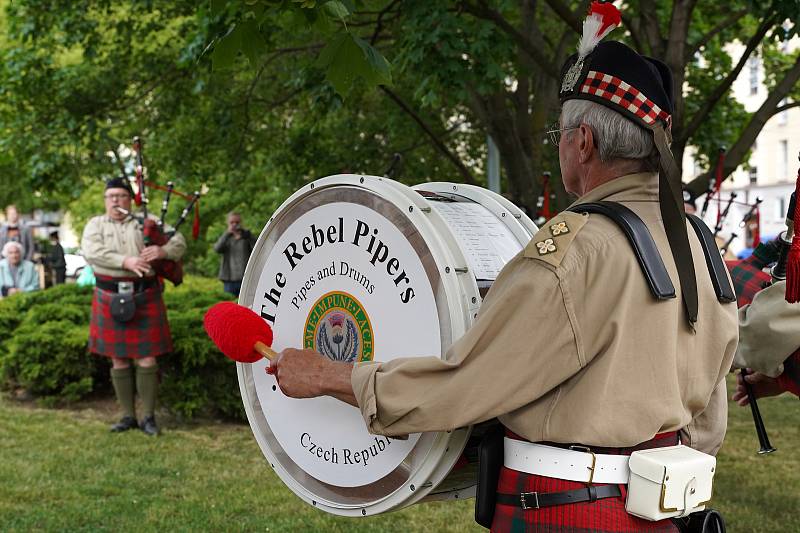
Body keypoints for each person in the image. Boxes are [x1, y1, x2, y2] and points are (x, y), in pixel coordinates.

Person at [267, 27, 738, 533]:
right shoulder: (695, 239)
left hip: (568, 511)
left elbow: (469, 383)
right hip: (663, 509)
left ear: (584, 143)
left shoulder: (578, 244)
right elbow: (709, 409)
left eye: (560, 137)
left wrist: (331, 375)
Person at [81, 177, 186, 436]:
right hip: (109, 295)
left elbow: (179, 241)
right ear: (105, 200)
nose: (116, 200)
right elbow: (91, 251)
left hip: (144, 295)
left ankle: (148, 417)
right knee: (118, 359)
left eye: (121, 196)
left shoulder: (145, 223)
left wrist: (163, 252)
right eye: (111, 196)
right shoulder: (95, 225)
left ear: (130, 199)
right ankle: (128, 416)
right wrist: (125, 260)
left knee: (147, 358)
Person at [213, 212, 256, 297]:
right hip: (229, 280)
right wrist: (227, 234)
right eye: (232, 222)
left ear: (241, 223)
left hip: (245, 279)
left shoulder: (246, 236)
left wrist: (249, 237)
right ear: (228, 223)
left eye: (237, 222)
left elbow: (256, 249)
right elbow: (217, 248)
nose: (234, 225)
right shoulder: (226, 238)